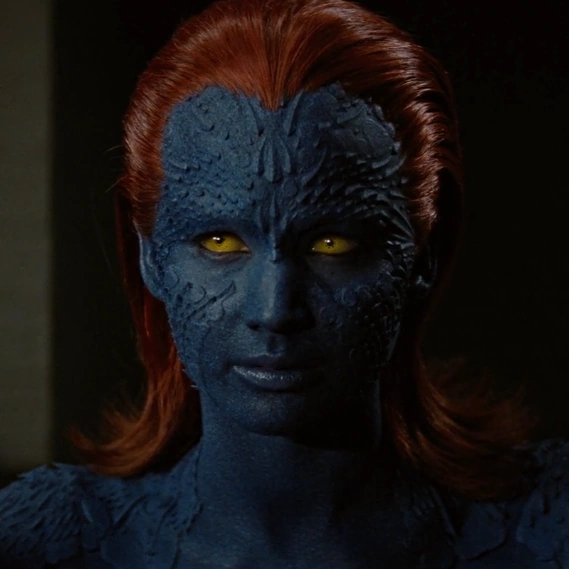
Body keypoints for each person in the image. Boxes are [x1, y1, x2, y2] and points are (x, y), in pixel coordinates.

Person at [1, 0, 568, 567]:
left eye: (331, 245)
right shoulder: (46, 543)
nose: (274, 309)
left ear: (423, 255)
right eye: (220, 242)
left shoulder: (547, 525)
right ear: (150, 254)